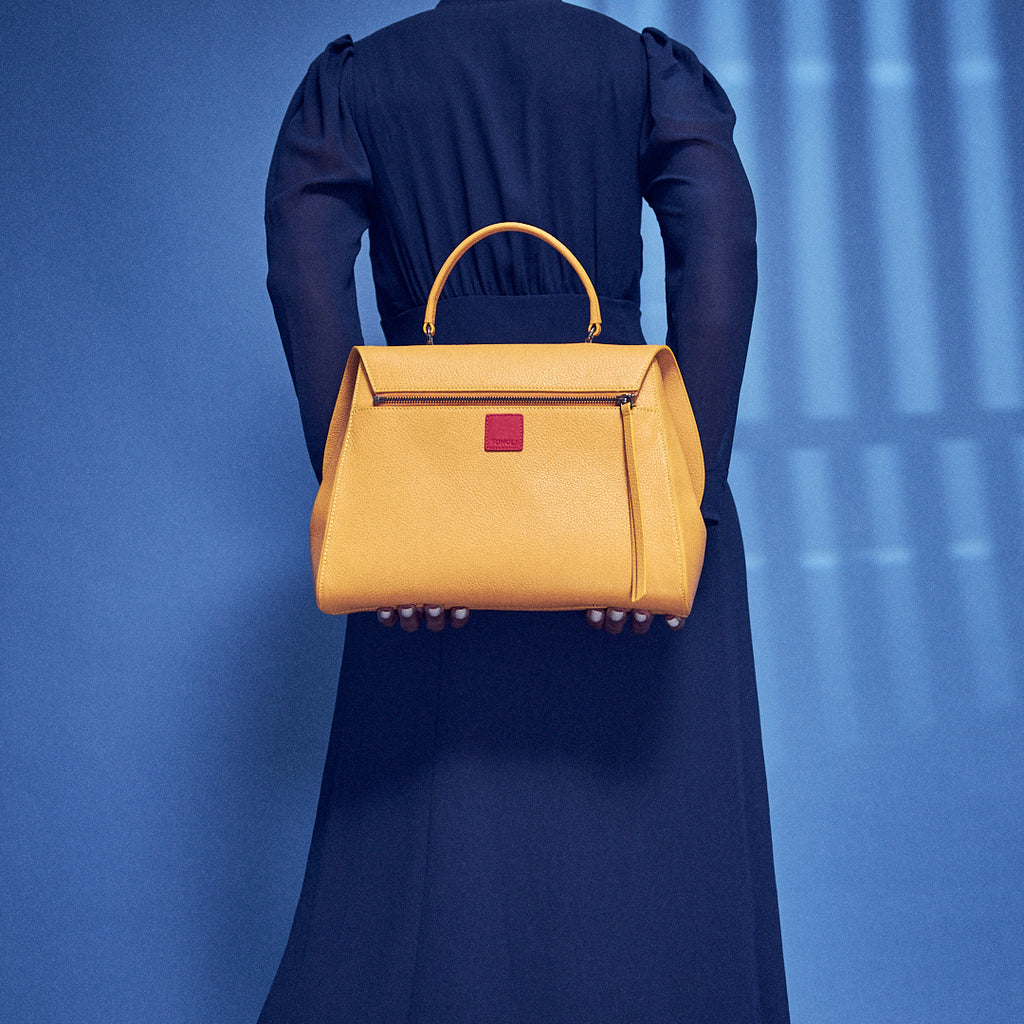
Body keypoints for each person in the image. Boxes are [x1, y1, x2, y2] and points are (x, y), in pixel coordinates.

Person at [260, 0, 789, 1020]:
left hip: (430, 504)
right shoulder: (643, 71)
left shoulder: (356, 84)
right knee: (662, 864)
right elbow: (720, 269)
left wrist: (377, 512)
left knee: (435, 859)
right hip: (629, 492)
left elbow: (304, 281)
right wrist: (677, 500)